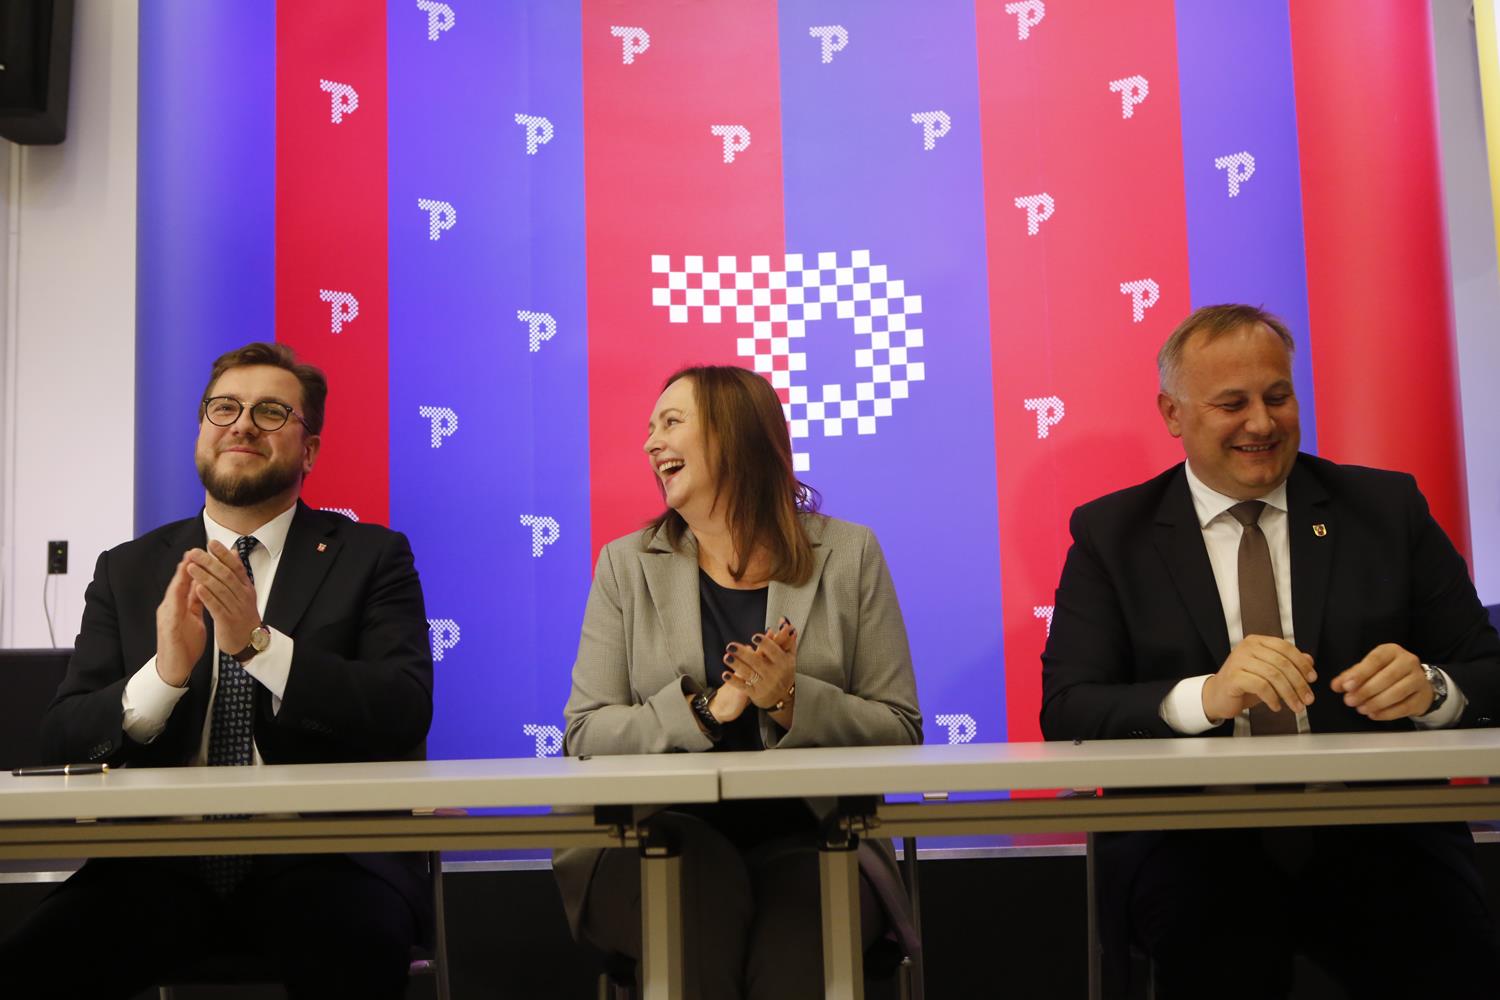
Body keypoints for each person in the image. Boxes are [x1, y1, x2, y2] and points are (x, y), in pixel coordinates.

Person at [1040, 304, 1500, 998]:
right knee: (1213, 945)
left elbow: (1487, 671)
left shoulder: (1385, 508)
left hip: (1377, 828)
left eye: (1277, 397)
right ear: (1172, 413)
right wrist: (1203, 698)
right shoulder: (1113, 534)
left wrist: (1433, 689)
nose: (1261, 423)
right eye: (1232, 404)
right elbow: (1069, 708)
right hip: (1194, 835)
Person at [0, 343, 434, 999]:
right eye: (224, 408)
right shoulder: (128, 568)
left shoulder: (372, 556)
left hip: (326, 858)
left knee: (355, 949)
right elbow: (63, 737)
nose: (243, 424)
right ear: (202, 430)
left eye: (270, 412)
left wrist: (260, 647)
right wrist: (163, 677)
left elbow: (403, 708)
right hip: (157, 867)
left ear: (310, 450)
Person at [554, 365, 922, 998]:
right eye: (650, 428)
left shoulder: (851, 554)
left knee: (797, 953)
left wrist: (792, 702)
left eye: (671, 423)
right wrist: (702, 711)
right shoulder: (625, 564)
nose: (650, 443)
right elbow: (585, 733)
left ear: (734, 436)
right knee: (695, 918)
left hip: (817, 836)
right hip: (652, 834)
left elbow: (901, 728)